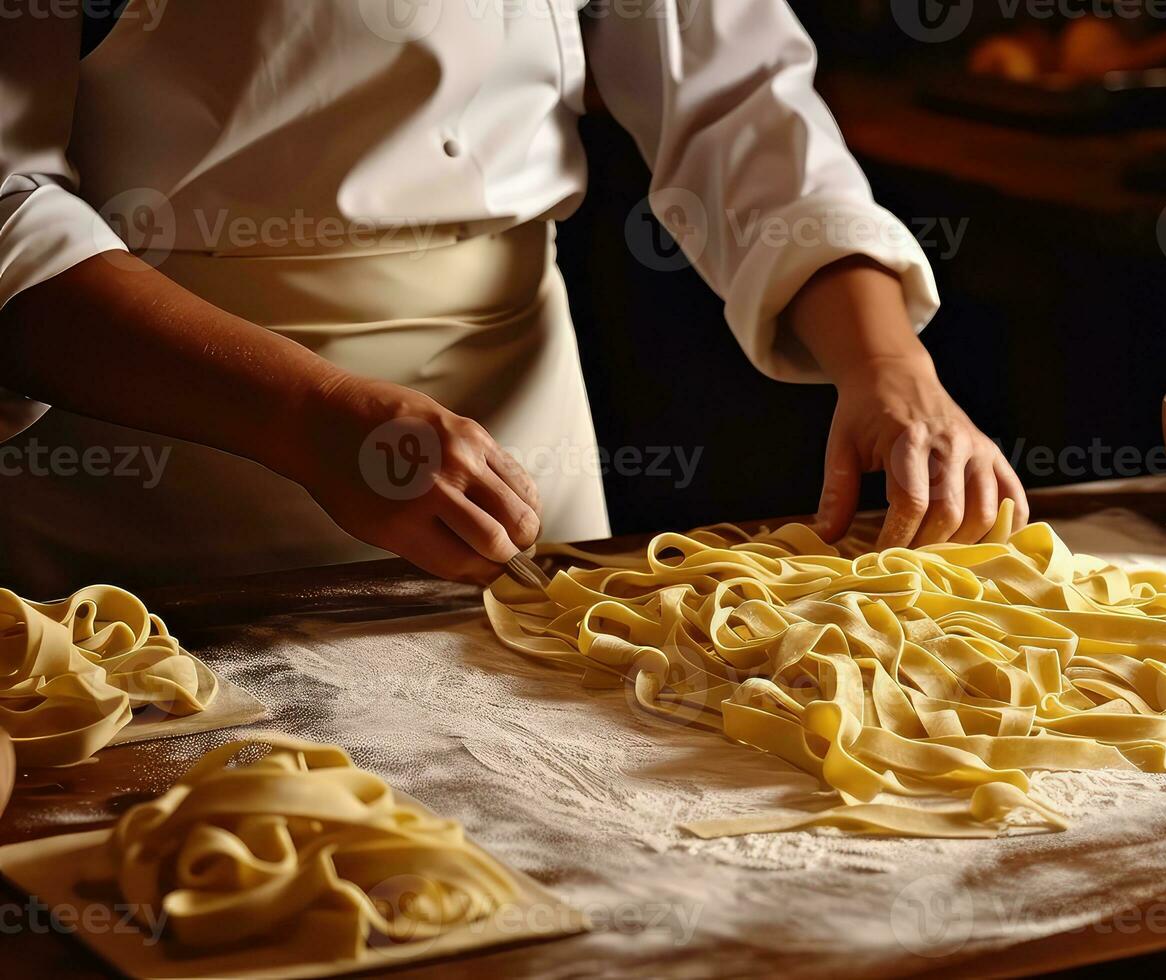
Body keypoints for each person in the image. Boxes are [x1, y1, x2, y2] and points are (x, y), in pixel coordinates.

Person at [0, 1, 1029, 596]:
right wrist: (306, 414)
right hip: (173, 463)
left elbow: (736, 102)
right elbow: (13, 201)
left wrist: (889, 362)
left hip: (523, 441)